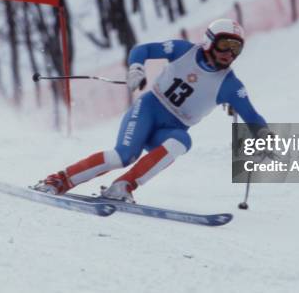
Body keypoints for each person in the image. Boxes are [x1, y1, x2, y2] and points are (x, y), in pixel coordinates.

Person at [34, 19, 268, 202]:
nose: (229, 53)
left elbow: (252, 116)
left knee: (182, 141)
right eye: (225, 44)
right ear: (209, 41)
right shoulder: (183, 50)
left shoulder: (230, 85)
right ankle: (58, 181)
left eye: (236, 48)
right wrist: (137, 68)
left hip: (172, 128)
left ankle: (123, 186)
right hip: (148, 109)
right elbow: (142, 50)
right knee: (123, 156)